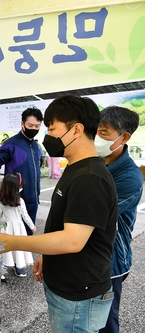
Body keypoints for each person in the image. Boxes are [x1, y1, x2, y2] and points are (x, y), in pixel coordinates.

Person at [0, 95, 118, 333]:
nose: (48, 136)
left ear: (76, 129)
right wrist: (46, 253)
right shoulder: (75, 167)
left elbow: (72, 240)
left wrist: (11, 242)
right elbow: (65, 224)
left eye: (52, 129)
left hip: (78, 295)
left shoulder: (89, 177)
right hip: (67, 285)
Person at [95, 106, 143, 333]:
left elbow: (93, 215)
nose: (96, 138)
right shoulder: (94, 161)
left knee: (105, 321)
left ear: (124, 137)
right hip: (87, 256)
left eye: (103, 133)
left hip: (111, 261)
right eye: (95, 131)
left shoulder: (130, 178)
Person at [0, 107, 43, 234]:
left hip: (33, 199)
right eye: (30, 125)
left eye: (37, 126)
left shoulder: (36, 146)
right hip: (14, 201)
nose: (34, 129)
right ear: (22, 124)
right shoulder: (11, 144)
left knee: (28, 234)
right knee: (14, 234)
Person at [0, 173, 37, 278]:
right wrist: (32, 227)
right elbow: (25, 216)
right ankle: (19, 265)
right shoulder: (20, 201)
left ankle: (1, 269)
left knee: (4, 247)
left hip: (5, 226)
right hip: (17, 228)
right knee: (18, 247)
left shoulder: (1, 200)